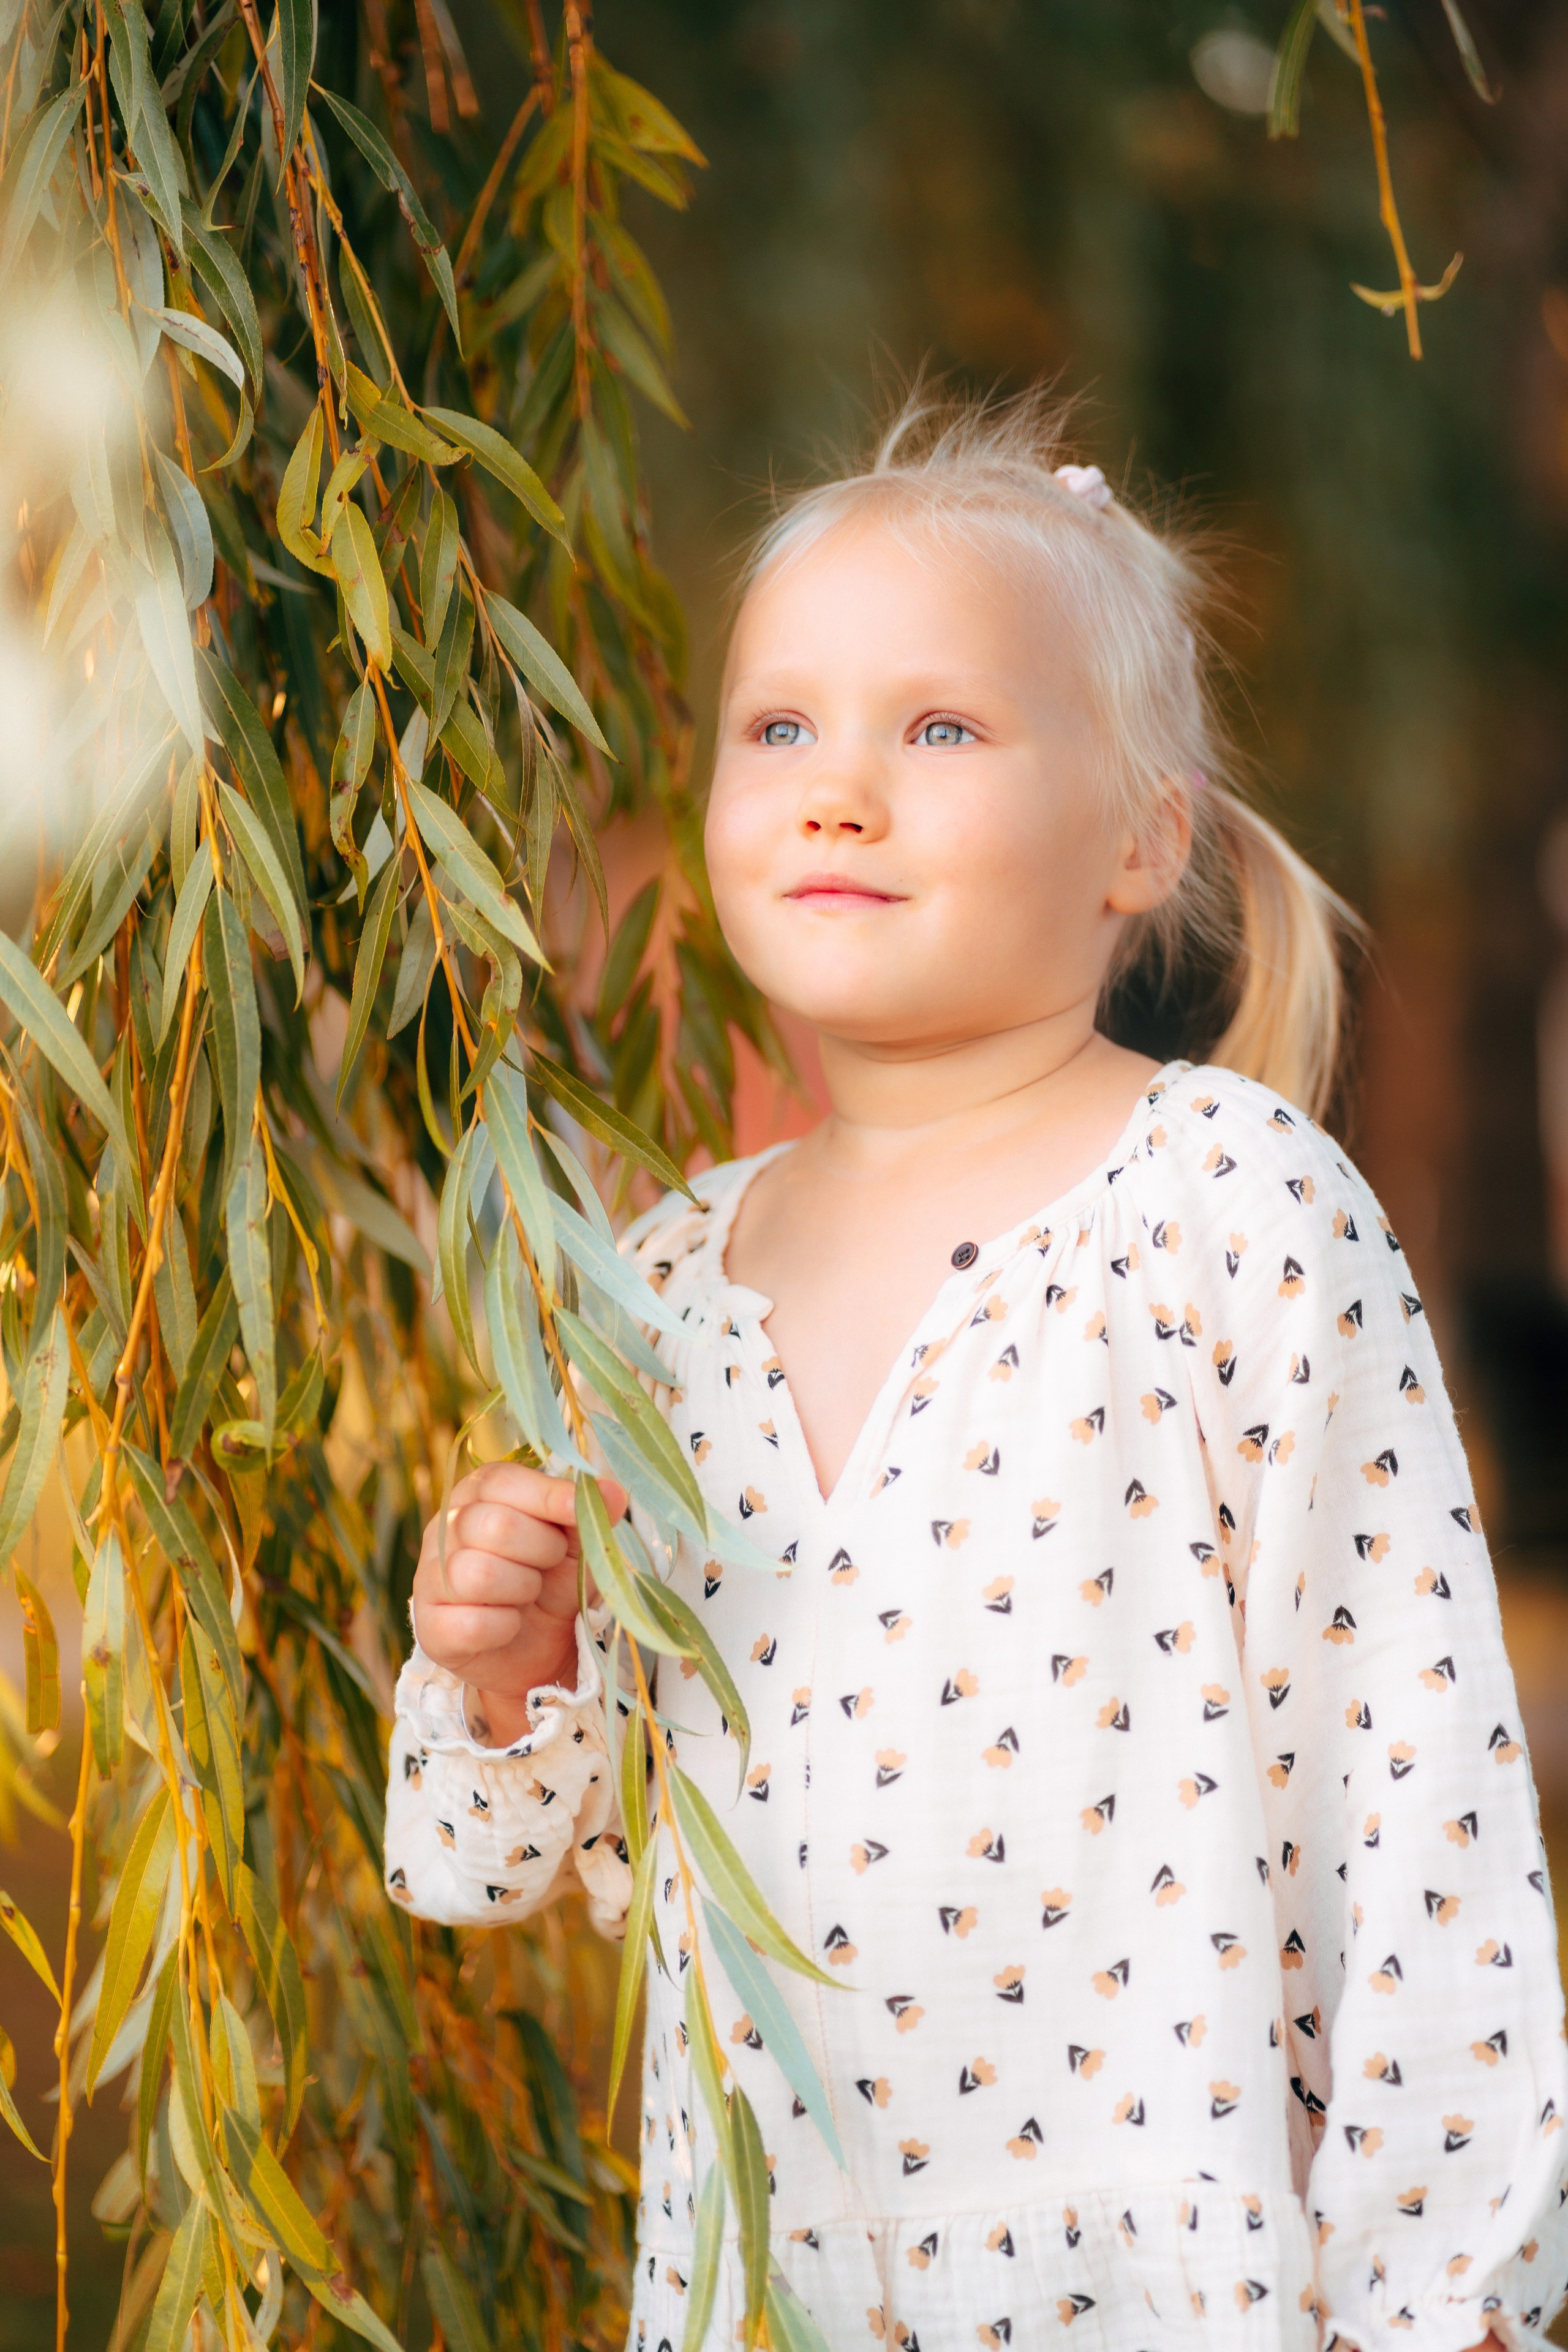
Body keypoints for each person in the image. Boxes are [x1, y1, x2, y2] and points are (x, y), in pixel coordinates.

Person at [383, 394, 1568, 2352]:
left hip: (1158, 2274)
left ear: (1140, 836)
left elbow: (1414, 1805)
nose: (840, 790)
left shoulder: (1226, 1208)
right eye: (782, 729)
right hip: (774, 2286)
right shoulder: (667, 1274)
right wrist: (507, 1674)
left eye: (939, 729)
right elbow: (536, 1856)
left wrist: (1445, 2308)